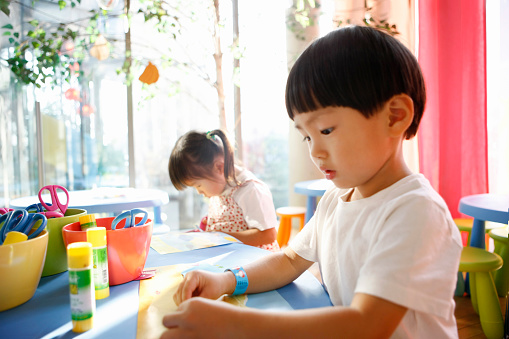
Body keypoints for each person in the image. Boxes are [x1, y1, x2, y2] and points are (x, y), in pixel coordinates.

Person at [161, 26, 462, 338]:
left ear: (395, 117)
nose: (315, 151)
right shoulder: (336, 199)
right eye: (306, 135)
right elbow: (291, 260)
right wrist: (226, 280)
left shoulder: (415, 212)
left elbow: (367, 325)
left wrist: (231, 325)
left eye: (326, 130)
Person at [168, 129, 280, 252]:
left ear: (219, 167)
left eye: (198, 185)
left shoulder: (250, 190)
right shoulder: (219, 186)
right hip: (232, 257)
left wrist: (222, 237)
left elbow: (268, 235)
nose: (199, 192)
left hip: (259, 262)